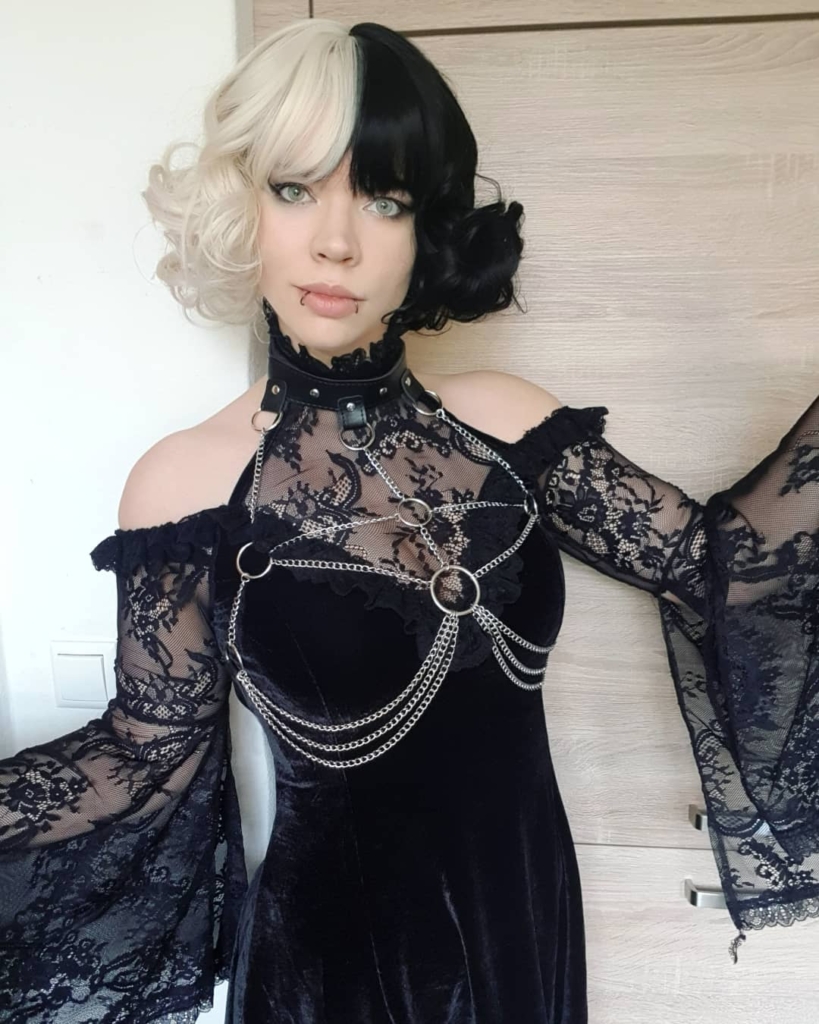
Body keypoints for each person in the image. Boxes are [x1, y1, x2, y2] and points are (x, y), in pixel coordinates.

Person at [1, 17, 817, 1024]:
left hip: (523, 924)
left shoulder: (507, 423)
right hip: (334, 968)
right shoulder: (186, 485)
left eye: (382, 199)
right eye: (294, 188)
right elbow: (140, 756)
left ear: (426, 226)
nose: (336, 240)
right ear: (238, 204)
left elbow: (727, 567)